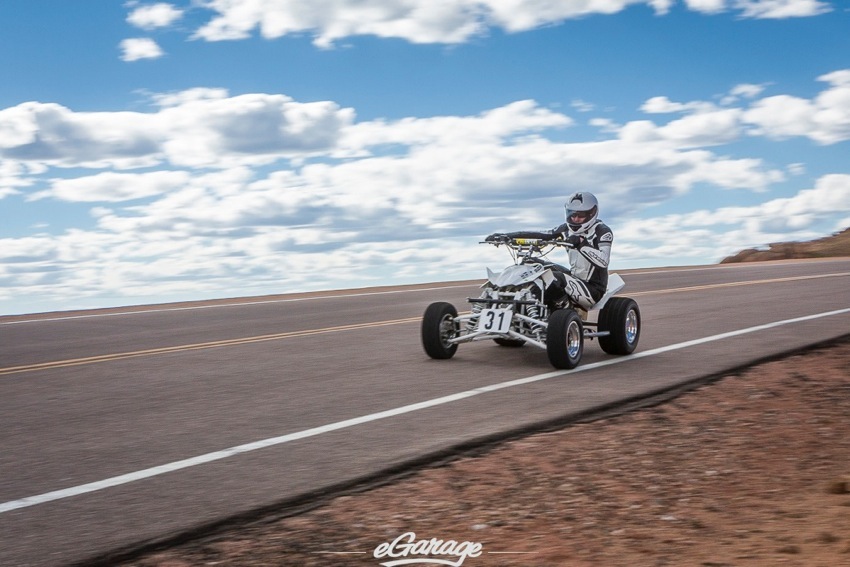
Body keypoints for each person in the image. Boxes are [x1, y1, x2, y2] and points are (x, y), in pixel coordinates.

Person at [485, 192, 612, 310]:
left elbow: (604, 261)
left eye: (580, 215)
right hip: (574, 278)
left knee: (554, 278)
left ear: (591, 213)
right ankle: (513, 302)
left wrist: (582, 244)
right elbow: (541, 234)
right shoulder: (566, 229)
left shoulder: (602, 231)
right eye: (572, 214)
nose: (575, 219)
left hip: (592, 289)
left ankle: (565, 311)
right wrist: (507, 236)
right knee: (532, 264)